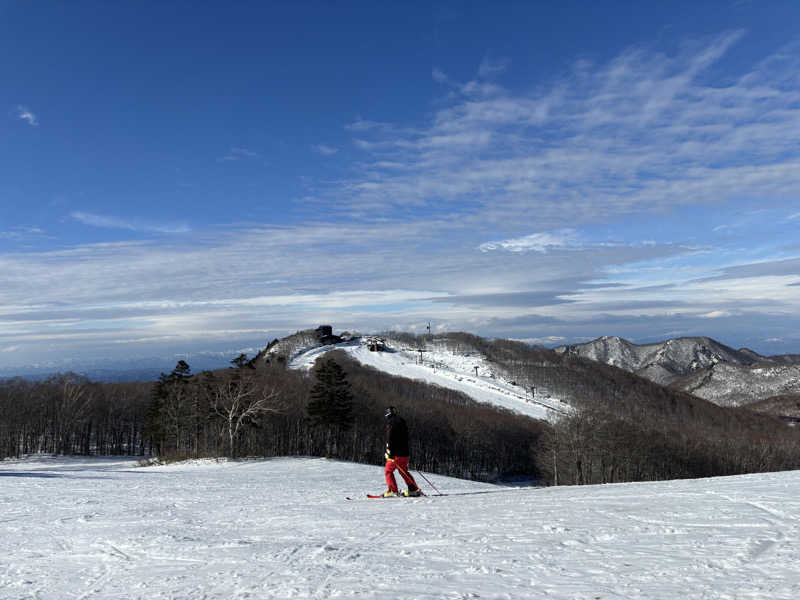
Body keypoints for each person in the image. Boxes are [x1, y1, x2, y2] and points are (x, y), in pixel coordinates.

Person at [383, 406, 422, 497]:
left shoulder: (391, 422)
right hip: (405, 452)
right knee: (403, 471)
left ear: (388, 414)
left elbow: (390, 438)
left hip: (396, 454)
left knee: (388, 471)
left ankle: (393, 490)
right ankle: (413, 489)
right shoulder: (401, 421)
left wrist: (389, 452)